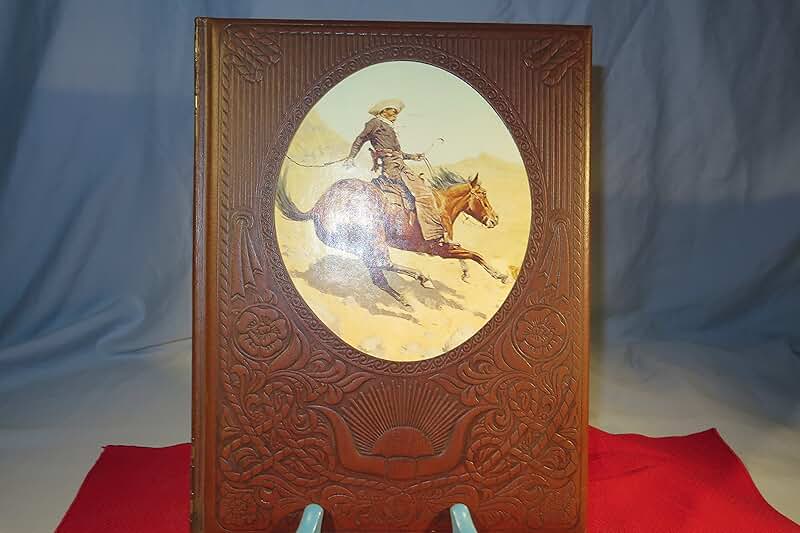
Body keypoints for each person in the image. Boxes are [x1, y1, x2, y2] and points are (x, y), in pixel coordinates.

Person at [345, 99, 446, 244]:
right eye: (393, 112)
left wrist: (413, 156)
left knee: (425, 190)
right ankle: (433, 236)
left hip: (399, 163)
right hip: (391, 166)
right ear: (383, 111)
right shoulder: (375, 123)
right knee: (424, 194)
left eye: (397, 113)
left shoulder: (389, 127)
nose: (396, 115)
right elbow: (360, 139)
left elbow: (397, 153)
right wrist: (351, 157)